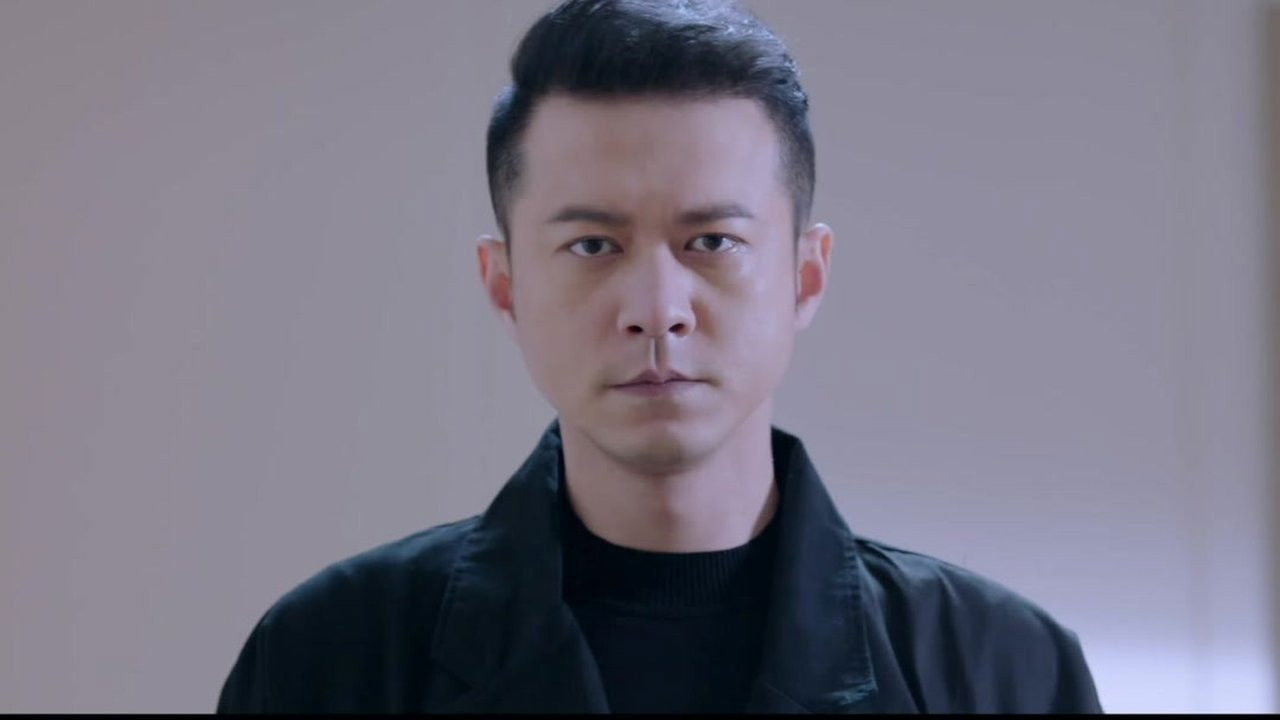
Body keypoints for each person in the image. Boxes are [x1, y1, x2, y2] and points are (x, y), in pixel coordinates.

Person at [216, 0, 1104, 713]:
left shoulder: (1003, 670)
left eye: (711, 242)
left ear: (805, 276)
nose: (656, 310)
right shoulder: (331, 656)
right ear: (505, 285)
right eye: (593, 246)